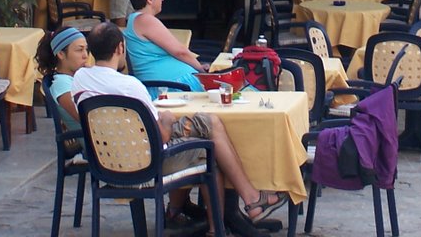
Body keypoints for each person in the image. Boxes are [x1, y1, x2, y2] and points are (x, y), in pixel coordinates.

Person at [72, 23, 287, 237]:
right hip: (145, 164)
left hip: (107, 162)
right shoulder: (130, 86)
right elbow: (161, 136)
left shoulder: (80, 80)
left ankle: (243, 203)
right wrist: (165, 121)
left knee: (206, 123)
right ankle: (226, 221)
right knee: (209, 148)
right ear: (120, 48)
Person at [125, 0, 208, 94]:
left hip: (167, 83)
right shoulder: (146, 20)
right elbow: (180, 51)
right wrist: (201, 69)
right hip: (169, 87)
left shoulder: (135, 19)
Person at [35, 26, 89, 130]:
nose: (85, 55)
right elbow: (86, 119)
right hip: (94, 142)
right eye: (79, 50)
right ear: (61, 54)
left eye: (86, 49)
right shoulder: (62, 84)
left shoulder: (75, 77)